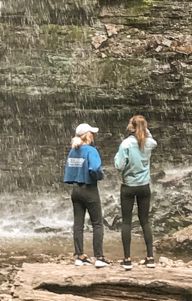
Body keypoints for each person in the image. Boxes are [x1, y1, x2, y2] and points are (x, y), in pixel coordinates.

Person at [64, 121, 109, 267]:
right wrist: (100, 176)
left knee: (78, 224)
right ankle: (99, 257)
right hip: (89, 189)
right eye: (92, 133)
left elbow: (70, 170)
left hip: (76, 190)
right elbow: (95, 168)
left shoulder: (73, 151)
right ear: (88, 135)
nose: (94, 135)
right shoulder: (91, 151)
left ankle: (80, 256)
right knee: (97, 223)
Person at [114, 115, 157, 269]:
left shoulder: (125, 144)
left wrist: (117, 157)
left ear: (131, 127)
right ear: (144, 127)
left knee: (126, 222)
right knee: (145, 221)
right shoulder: (149, 143)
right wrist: (145, 130)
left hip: (128, 186)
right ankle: (150, 258)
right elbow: (151, 138)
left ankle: (127, 259)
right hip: (144, 186)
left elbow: (119, 166)